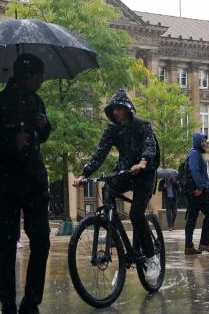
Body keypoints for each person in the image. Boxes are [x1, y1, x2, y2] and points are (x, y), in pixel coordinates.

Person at [0, 53, 52, 314]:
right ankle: (8, 304)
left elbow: (41, 136)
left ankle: (31, 302)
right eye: (39, 77)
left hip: (34, 183)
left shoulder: (36, 101)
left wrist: (44, 126)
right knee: (7, 246)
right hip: (6, 184)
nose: (42, 81)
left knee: (41, 242)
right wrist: (11, 142)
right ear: (26, 76)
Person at [74, 89, 161, 280]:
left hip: (144, 172)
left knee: (136, 214)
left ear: (127, 109)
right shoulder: (111, 130)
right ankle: (112, 229)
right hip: (126, 171)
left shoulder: (142, 125)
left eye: (119, 108)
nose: (115, 112)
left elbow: (149, 145)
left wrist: (144, 162)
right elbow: (100, 152)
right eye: (113, 109)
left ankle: (152, 258)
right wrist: (84, 174)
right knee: (108, 188)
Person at [183, 132, 209, 255]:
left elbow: (203, 175)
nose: (204, 143)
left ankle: (189, 246)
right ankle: (203, 243)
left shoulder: (195, 154)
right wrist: (201, 187)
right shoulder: (195, 154)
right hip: (198, 192)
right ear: (197, 142)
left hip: (197, 191)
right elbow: (195, 172)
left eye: (205, 141)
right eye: (202, 141)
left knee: (192, 217)